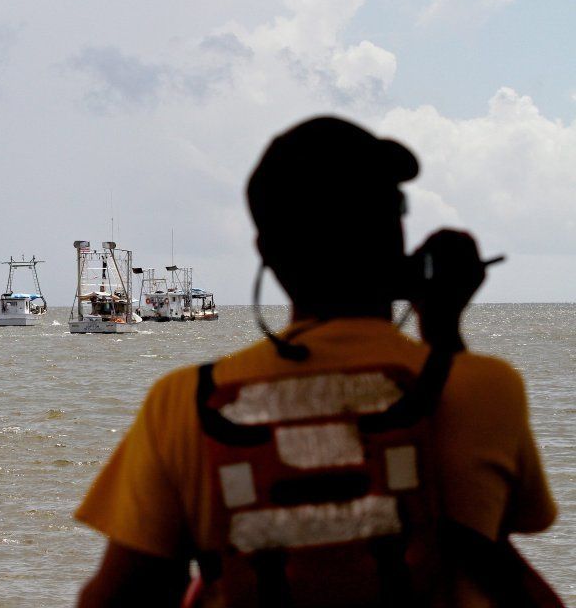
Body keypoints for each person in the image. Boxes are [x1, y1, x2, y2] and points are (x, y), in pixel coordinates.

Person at [75, 116, 558, 607]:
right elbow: (506, 526)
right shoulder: (483, 387)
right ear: (396, 237)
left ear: (266, 252)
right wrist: (441, 326)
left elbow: (121, 594)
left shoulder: (183, 403)